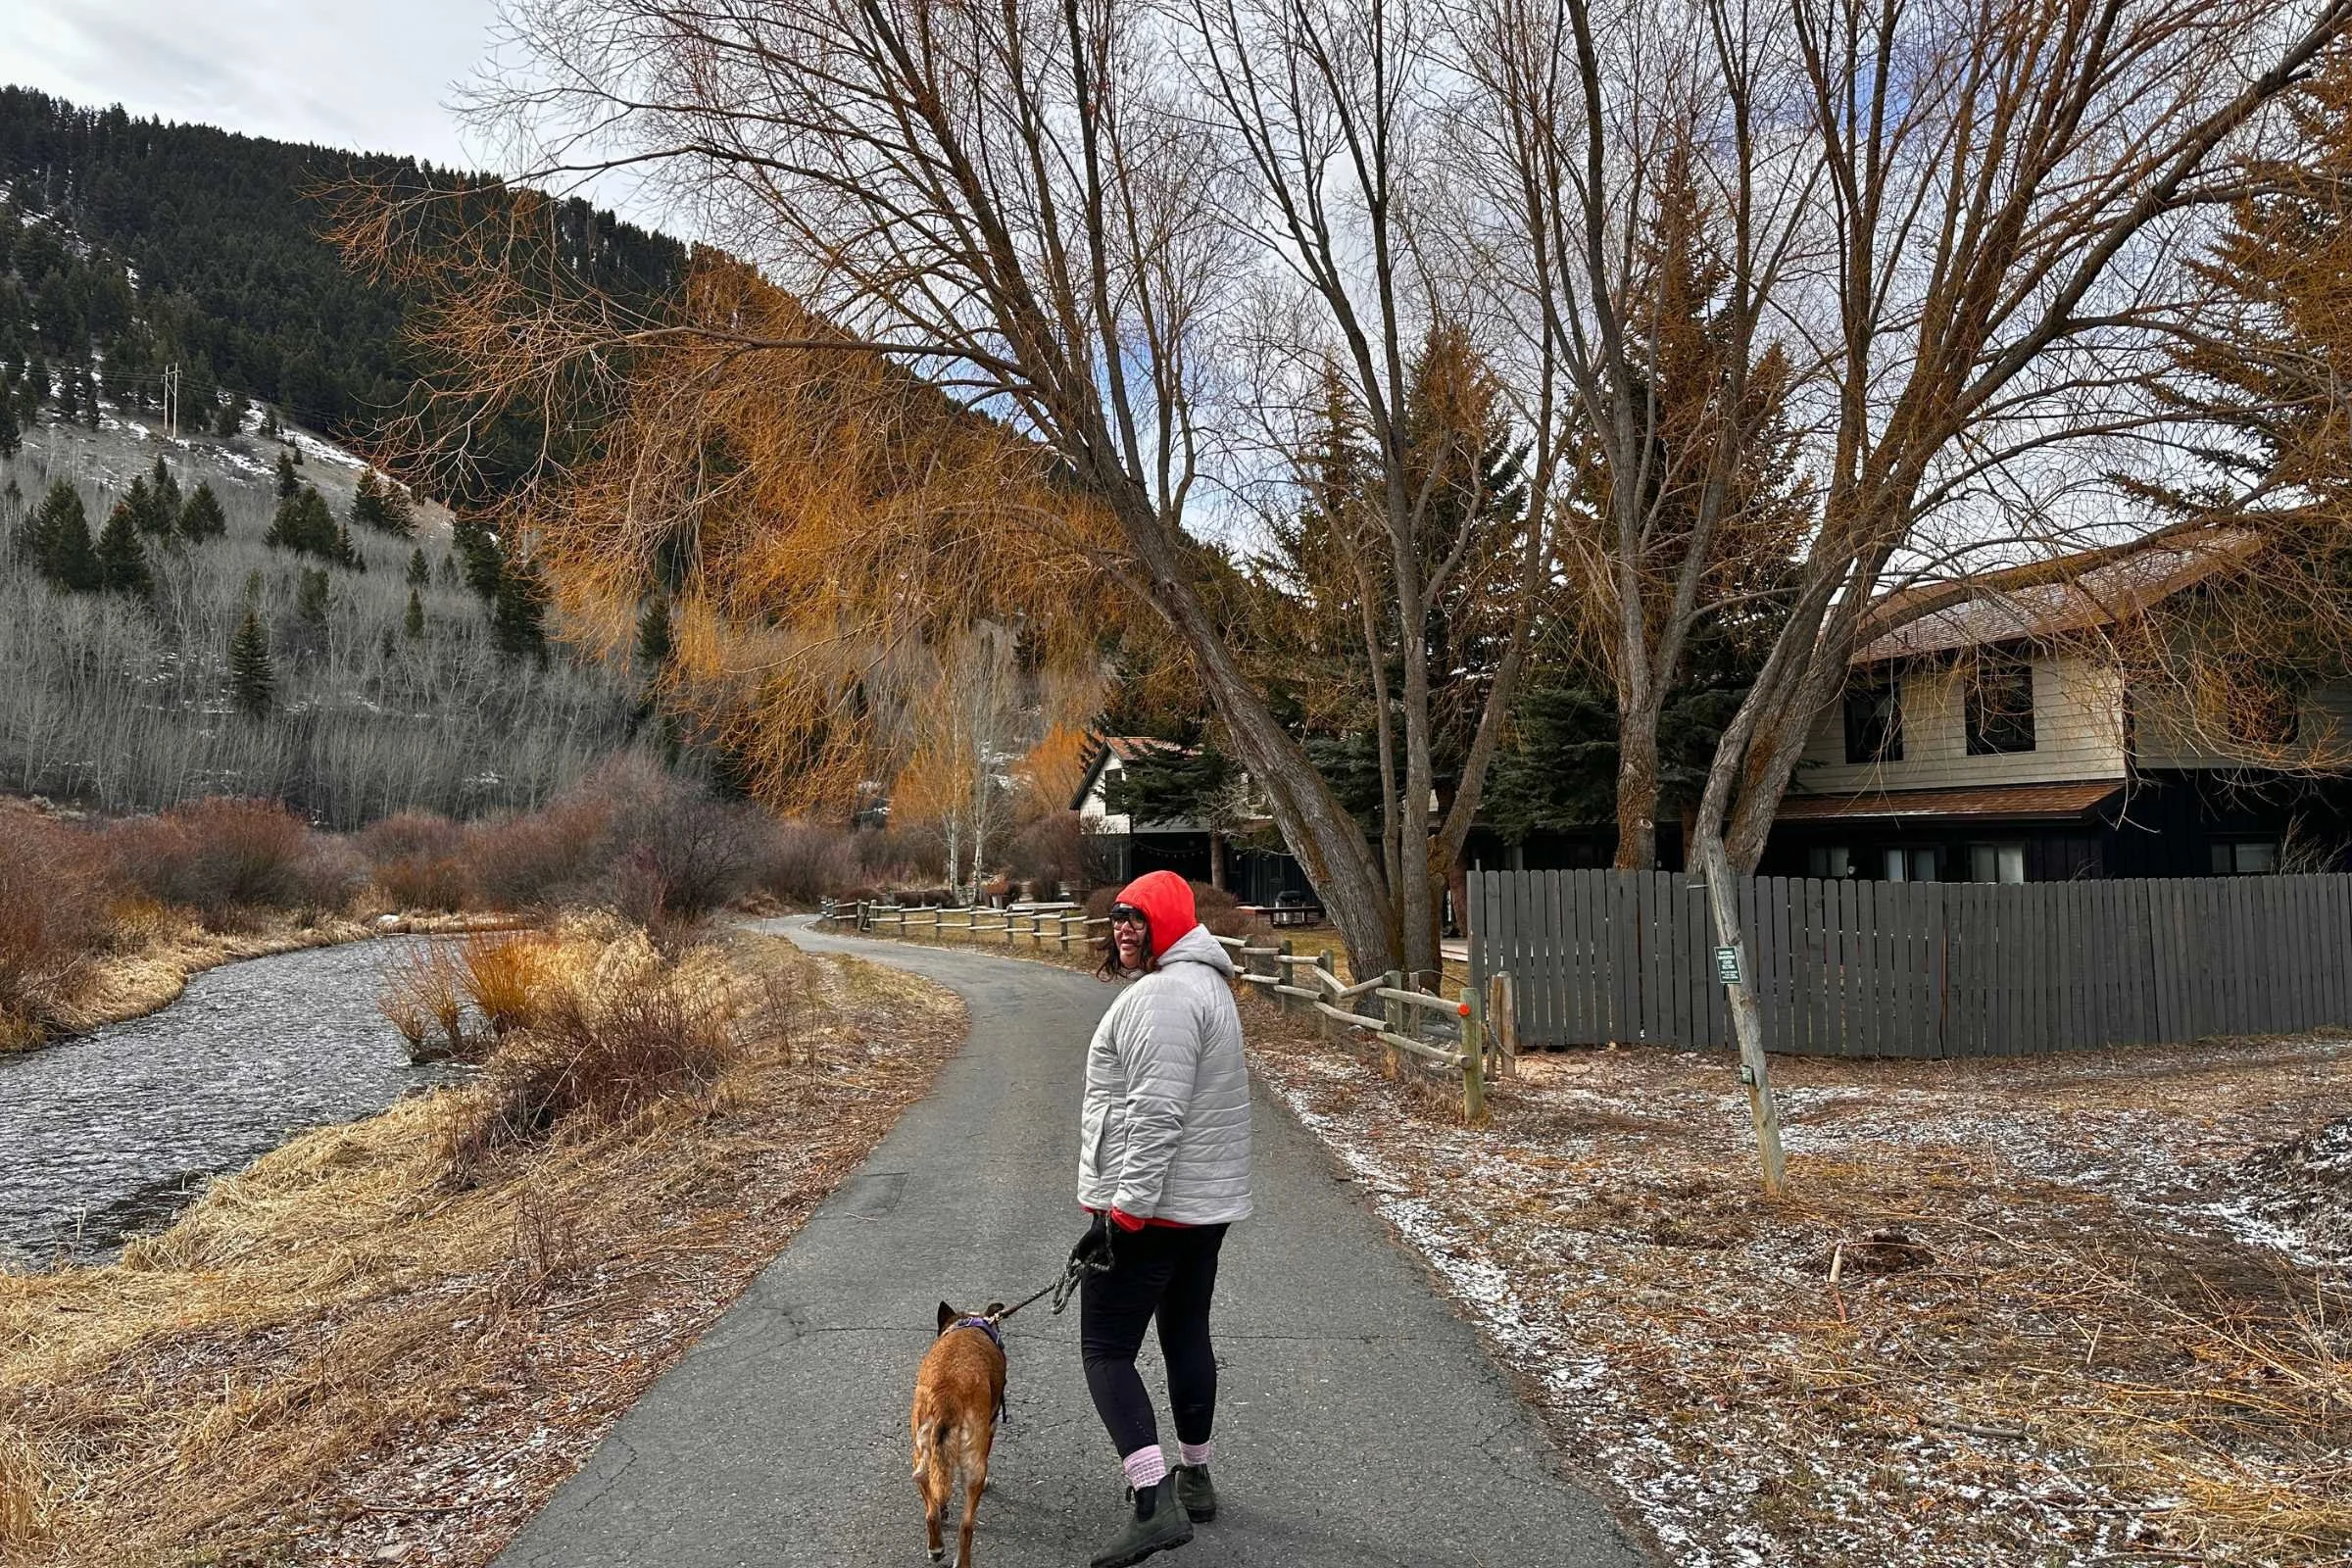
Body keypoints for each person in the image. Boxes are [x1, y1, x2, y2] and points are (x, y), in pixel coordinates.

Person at [1070, 870, 1252, 1567]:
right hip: (1200, 1210)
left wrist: (1121, 1214)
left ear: (1169, 925)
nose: (1122, 929)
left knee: (1106, 1350)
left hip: (1155, 1213)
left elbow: (1156, 1117)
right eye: (1118, 916)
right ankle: (1195, 1475)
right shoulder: (1207, 984)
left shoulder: (1166, 997)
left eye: (1137, 919)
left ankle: (1153, 1503)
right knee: (1184, 1335)